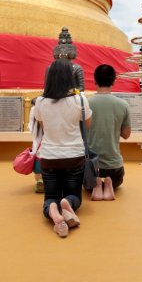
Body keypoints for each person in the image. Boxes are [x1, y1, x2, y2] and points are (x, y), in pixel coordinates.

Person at [34, 59, 92, 238]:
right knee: (75, 195)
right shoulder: (80, 100)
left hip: (49, 157)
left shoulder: (40, 102)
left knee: (50, 196)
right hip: (74, 155)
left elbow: (44, 127)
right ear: (71, 78)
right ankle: (67, 203)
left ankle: (53, 208)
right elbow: (87, 125)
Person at [87, 65, 131, 201]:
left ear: (95, 81)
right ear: (113, 81)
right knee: (115, 178)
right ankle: (108, 184)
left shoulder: (85, 103)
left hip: (90, 168)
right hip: (114, 169)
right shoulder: (123, 105)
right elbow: (126, 134)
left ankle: (96, 185)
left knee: (86, 181)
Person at [28, 98, 44, 193]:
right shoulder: (46, 108)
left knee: (37, 169)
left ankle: (40, 181)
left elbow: (30, 128)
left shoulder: (33, 110)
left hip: (37, 146)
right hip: (50, 146)